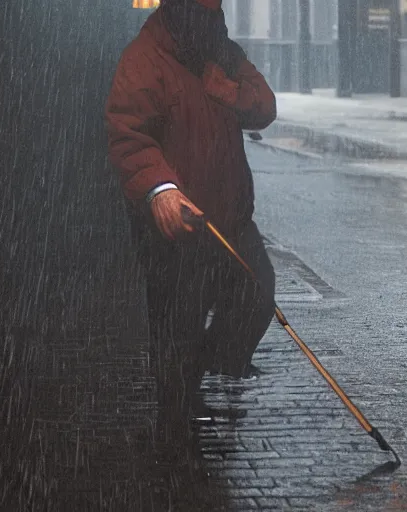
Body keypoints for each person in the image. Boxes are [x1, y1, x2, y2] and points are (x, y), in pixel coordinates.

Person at [105, 0, 276, 463]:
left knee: (257, 293)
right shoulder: (143, 59)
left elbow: (264, 106)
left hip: (230, 218)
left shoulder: (225, 53)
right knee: (176, 321)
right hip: (175, 228)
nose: (210, 24)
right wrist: (159, 188)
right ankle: (175, 434)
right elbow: (128, 135)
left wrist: (231, 91)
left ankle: (205, 367)